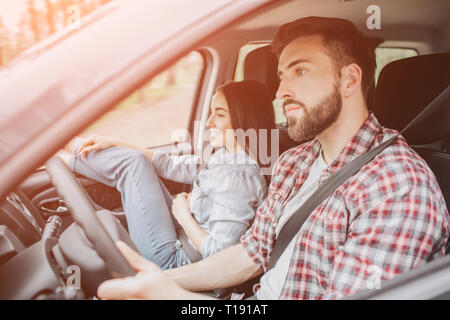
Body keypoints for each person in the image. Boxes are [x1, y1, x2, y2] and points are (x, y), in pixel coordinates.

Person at [96, 17, 449, 300]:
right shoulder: (293, 161)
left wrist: (173, 298)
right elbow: (252, 252)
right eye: (282, 75)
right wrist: (161, 279)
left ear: (349, 79)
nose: (280, 92)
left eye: (301, 71)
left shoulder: (398, 187)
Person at [69, 80, 276, 269]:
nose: (209, 122)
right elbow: (168, 164)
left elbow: (217, 254)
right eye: (212, 113)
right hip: (180, 236)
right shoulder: (225, 156)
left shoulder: (238, 177)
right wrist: (114, 142)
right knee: (138, 162)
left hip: (178, 261)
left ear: (244, 119)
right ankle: (67, 152)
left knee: (133, 164)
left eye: (219, 115)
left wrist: (183, 214)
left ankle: (62, 147)